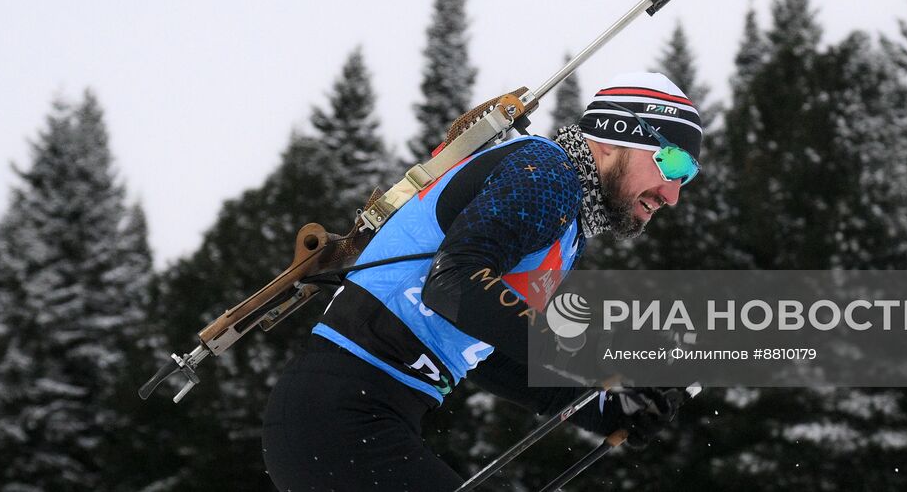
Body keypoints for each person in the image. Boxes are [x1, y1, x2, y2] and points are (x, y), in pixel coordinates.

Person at [262, 72, 703, 492]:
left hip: (341, 418)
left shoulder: (568, 229)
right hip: (341, 414)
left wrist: (604, 408)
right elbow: (452, 284)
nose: (673, 195)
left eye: (687, 176)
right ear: (614, 139)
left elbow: (485, 346)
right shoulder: (547, 175)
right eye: (671, 162)